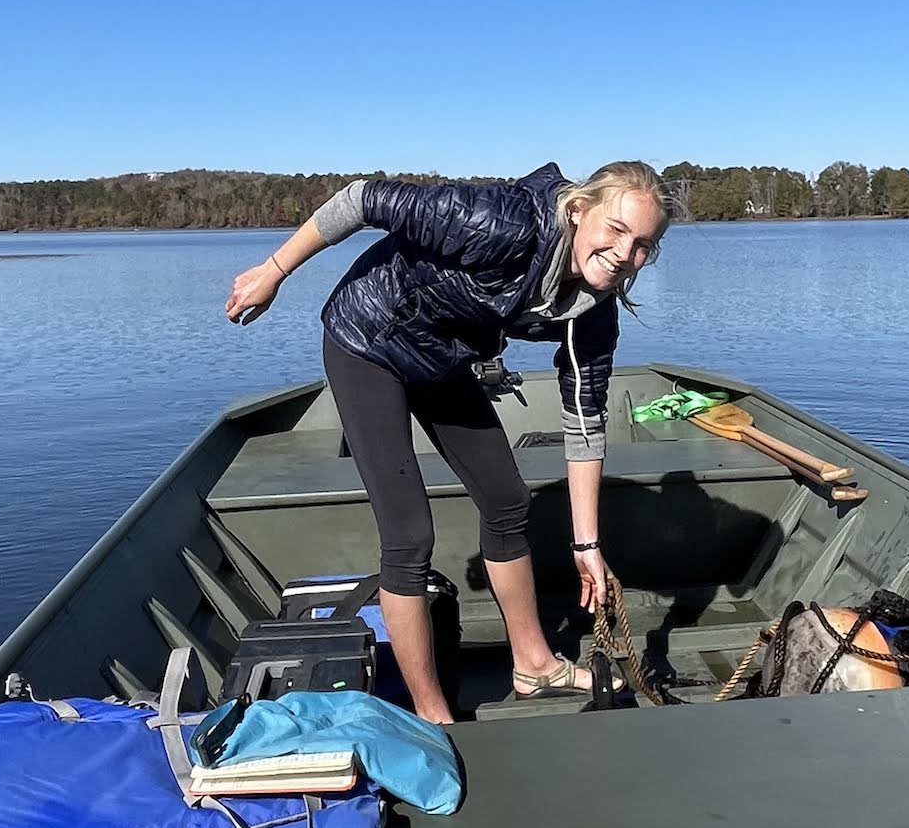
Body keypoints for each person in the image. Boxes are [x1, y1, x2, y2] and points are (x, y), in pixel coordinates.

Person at [224, 161, 681, 723]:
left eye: (642, 246)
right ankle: (432, 712)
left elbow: (584, 421)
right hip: (369, 341)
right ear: (578, 209)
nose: (622, 253)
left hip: (443, 355)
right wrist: (273, 270)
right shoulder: (498, 222)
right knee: (410, 535)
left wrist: (586, 545)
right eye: (615, 229)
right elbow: (361, 199)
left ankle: (534, 664)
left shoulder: (592, 312)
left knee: (507, 501)